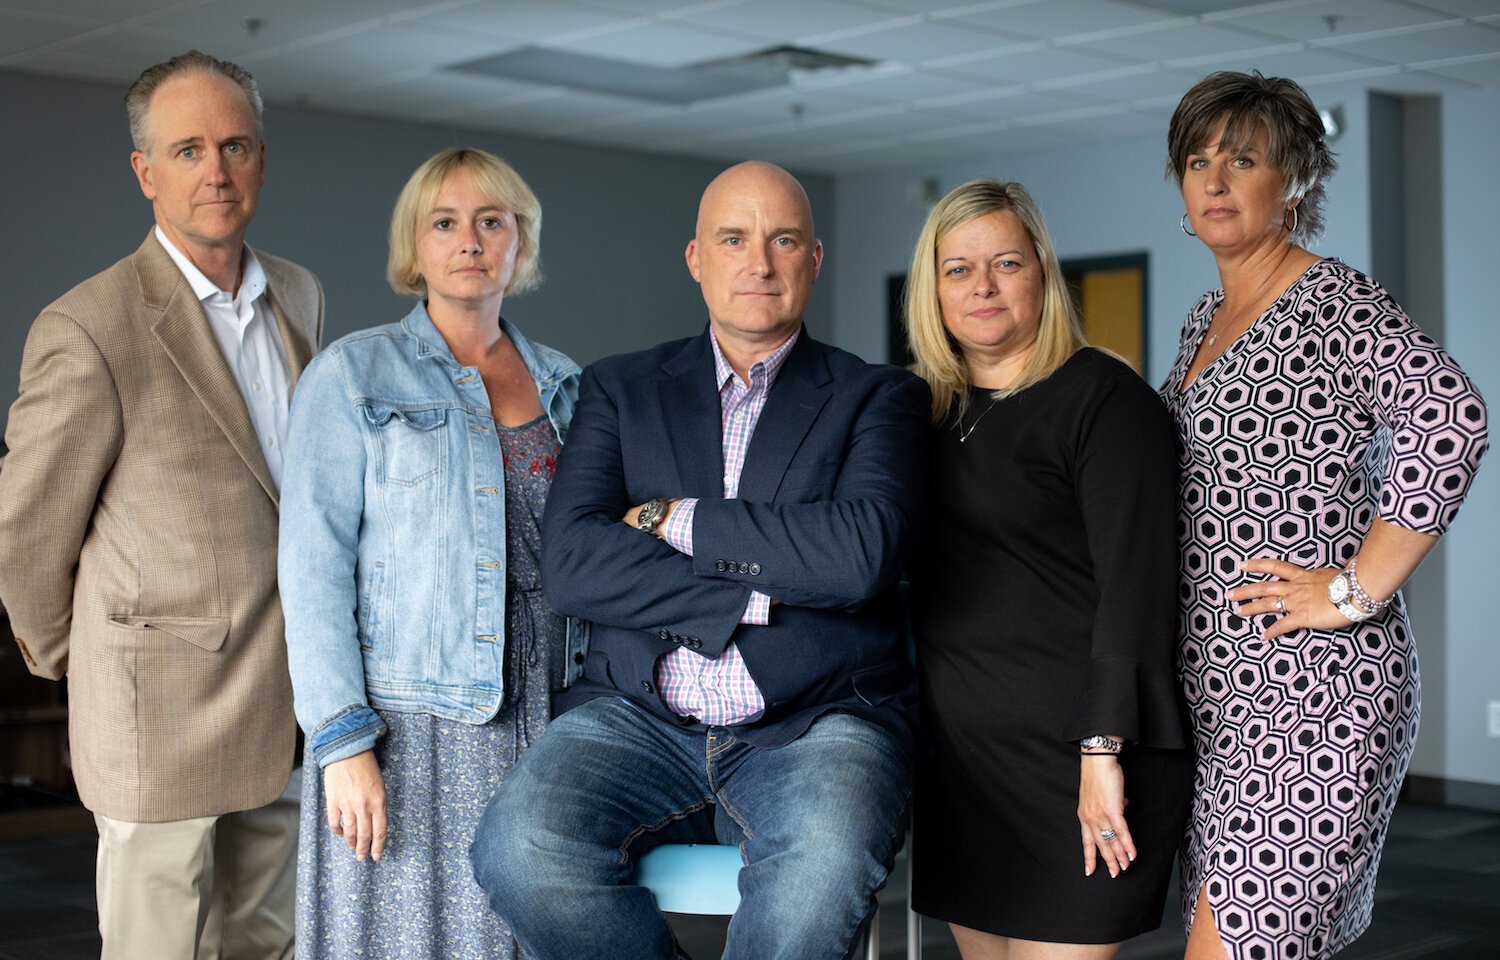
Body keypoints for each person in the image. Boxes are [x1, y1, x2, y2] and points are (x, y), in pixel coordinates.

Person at [468, 160, 929, 960]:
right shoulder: (620, 390)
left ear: (814, 260)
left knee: (819, 877)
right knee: (517, 853)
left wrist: (672, 520)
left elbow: (859, 557)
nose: (760, 262)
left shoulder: (878, 396)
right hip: (637, 718)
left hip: (816, 722)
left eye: (784, 240)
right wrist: (763, 585)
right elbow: (575, 561)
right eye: (735, 239)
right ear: (696, 259)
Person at [0, 51, 322, 960]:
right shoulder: (88, 326)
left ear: (261, 158)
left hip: (286, 693)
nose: (214, 171)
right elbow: (24, 536)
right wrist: (86, 661)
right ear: (145, 172)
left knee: (265, 940)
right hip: (155, 711)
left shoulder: (299, 294)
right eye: (186, 150)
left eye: (234, 146)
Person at [1162, 71, 1489, 960]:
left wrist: (1355, 590)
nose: (1215, 181)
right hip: (1220, 699)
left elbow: (1450, 413)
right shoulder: (1205, 320)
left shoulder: (1333, 301)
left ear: (1296, 179)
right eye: (1197, 161)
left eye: (1243, 159)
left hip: (1317, 689)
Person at [277, 147, 582, 960]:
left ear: (523, 243)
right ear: (414, 248)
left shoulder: (568, 385)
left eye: (493, 222)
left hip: (548, 718)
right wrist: (341, 744)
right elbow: (311, 571)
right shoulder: (350, 375)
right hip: (410, 729)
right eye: (444, 223)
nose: (470, 241)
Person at [903, 179, 1193, 959]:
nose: (982, 287)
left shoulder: (1104, 400)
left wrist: (1103, 754)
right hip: (964, 764)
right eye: (957, 269)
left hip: (1081, 760)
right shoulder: (920, 410)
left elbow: (1138, 593)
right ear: (932, 287)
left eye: (1005, 262)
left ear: (1042, 272)